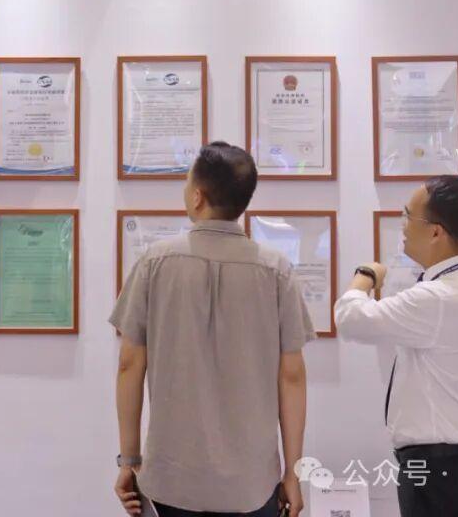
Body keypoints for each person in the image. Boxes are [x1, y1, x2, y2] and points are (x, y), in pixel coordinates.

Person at [110, 141, 316, 517]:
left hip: (172, 478)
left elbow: (129, 364)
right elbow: (292, 376)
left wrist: (129, 459)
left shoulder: (155, 262)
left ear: (197, 196)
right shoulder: (276, 271)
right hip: (251, 483)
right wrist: (293, 472)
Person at [334, 175, 458, 517]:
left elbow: (350, 319)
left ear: (436, 232)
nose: (403, 225)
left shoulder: (438, 297)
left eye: (408, 215)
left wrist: (364, 275)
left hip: (439, 472)